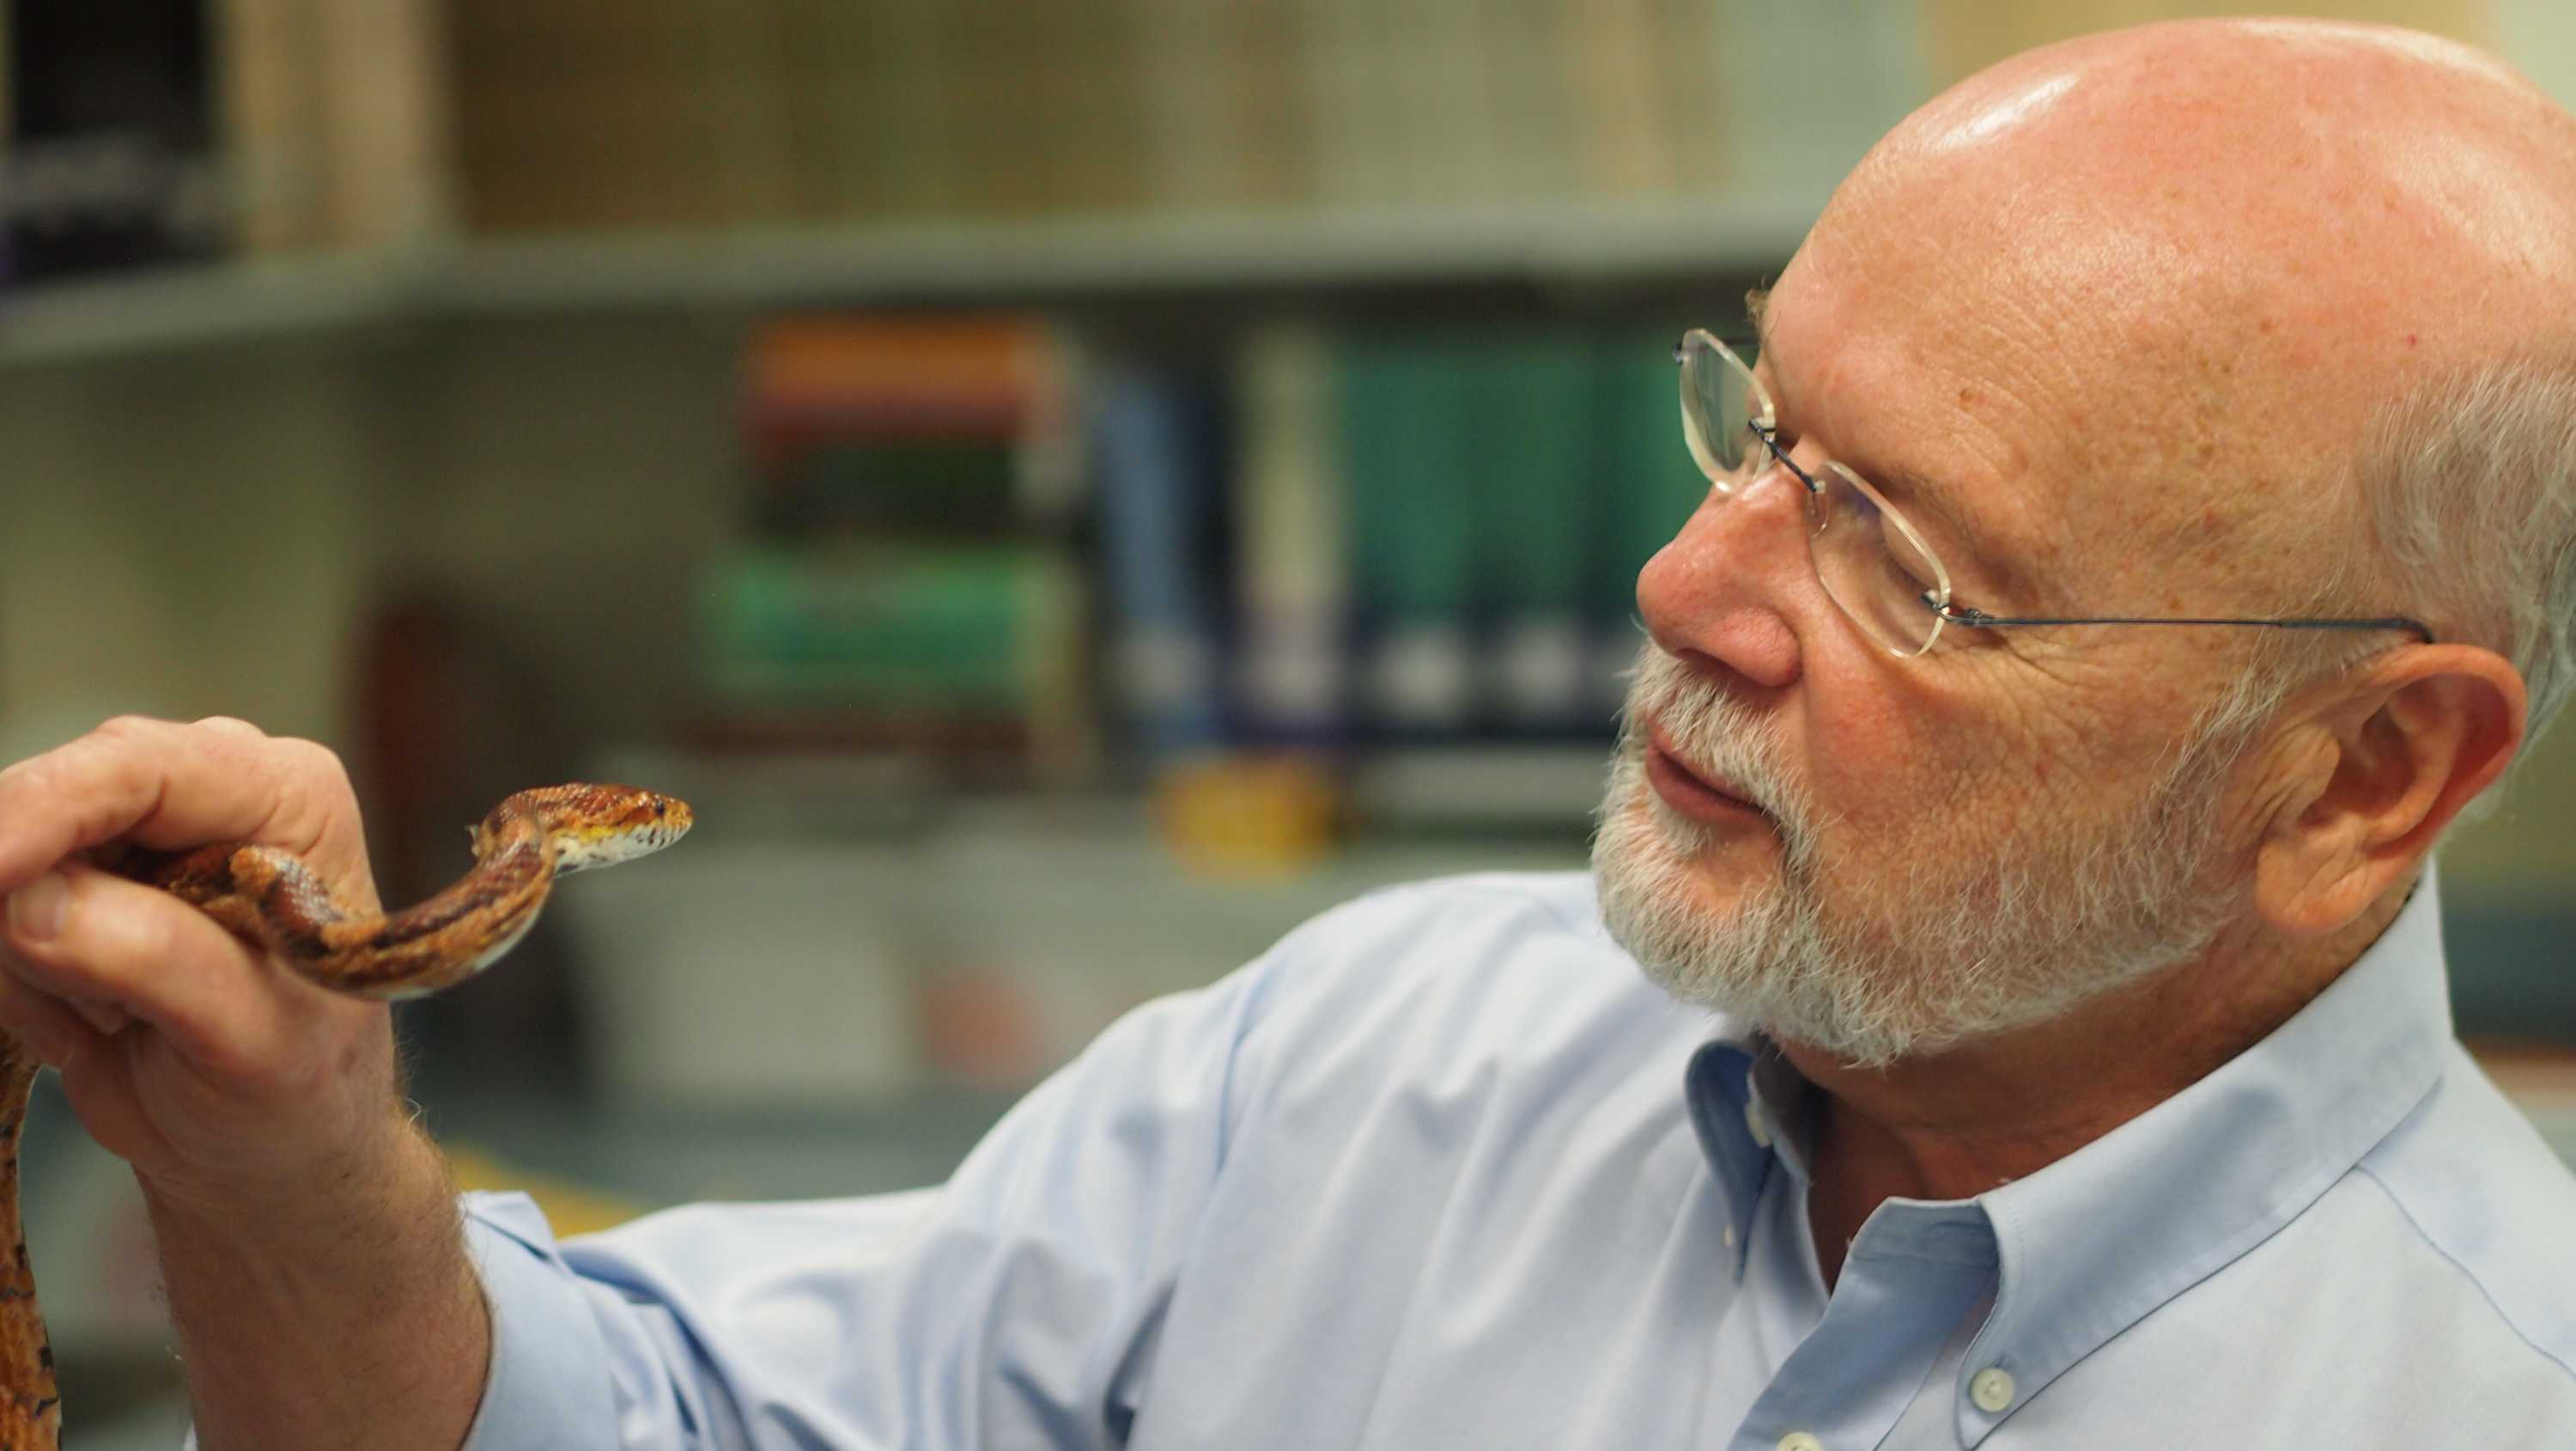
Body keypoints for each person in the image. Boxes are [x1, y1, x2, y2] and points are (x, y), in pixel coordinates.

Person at [3, 15, 2574, 1449]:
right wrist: (297, 1162)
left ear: (2359, 776)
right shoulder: (1368, 1070)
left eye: (1907, 563)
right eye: (1762, 431)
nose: (1686, 586)